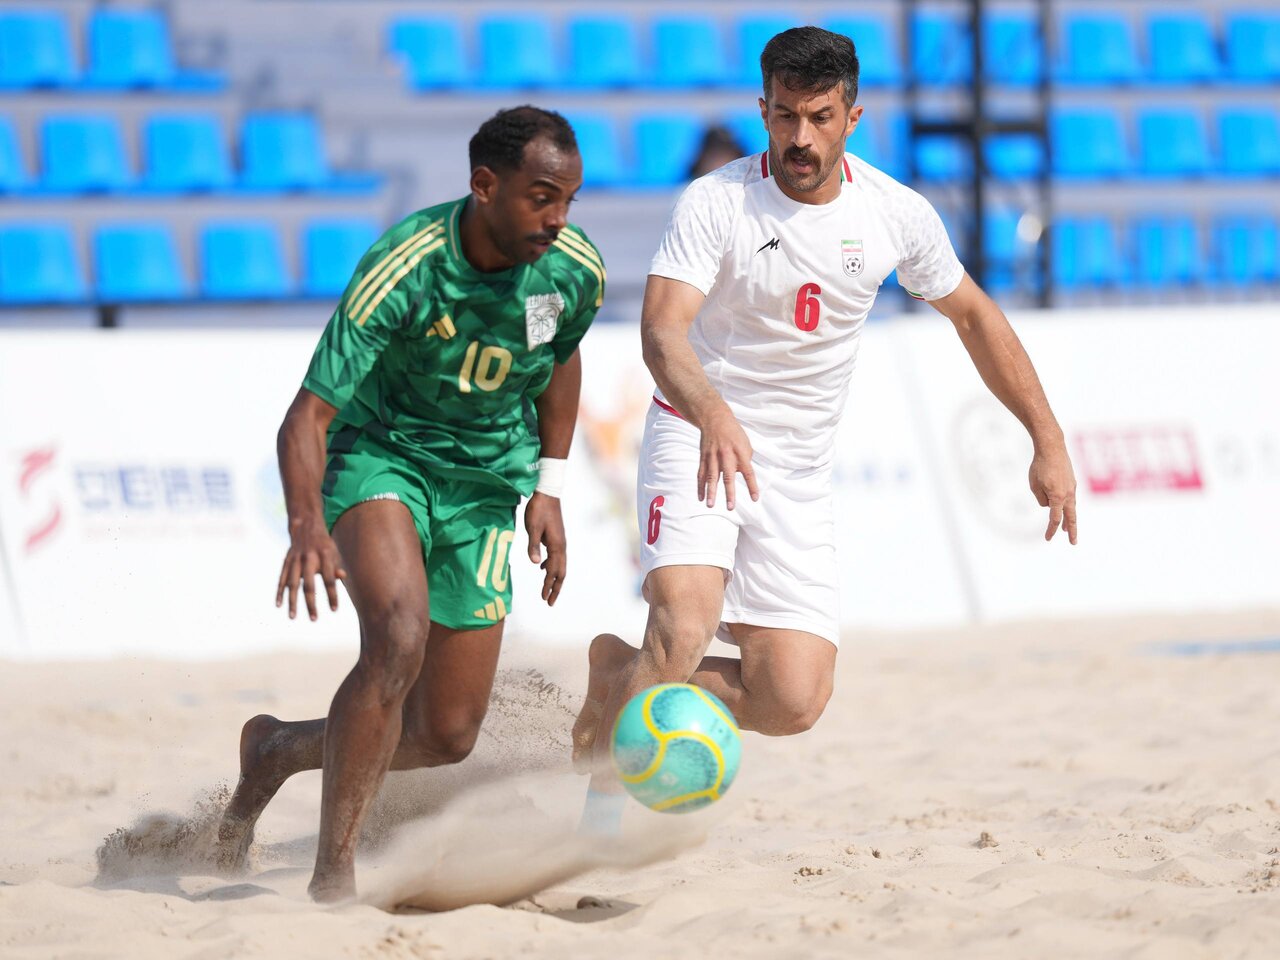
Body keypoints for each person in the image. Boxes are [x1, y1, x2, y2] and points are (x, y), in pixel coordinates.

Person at [572, 27, 1077, 828]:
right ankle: (595, 825)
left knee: (793, 699)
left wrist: (1046, 439)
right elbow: (662, 331)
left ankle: (616, 675)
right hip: (697, 435)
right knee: (682, 630)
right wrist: (713, 412)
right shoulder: (716, 200)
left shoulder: (893, 214)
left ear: (853, 117)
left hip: (796, 471)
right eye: (784, 116)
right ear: (763, 111)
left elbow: (976, 317)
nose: (799, 137)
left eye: (819, 117)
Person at [213, 106, 605, 901]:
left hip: (486, 486)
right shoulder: (406, 265)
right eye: (542, 198)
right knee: (397, 638)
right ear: (484, 186)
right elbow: (307, 417)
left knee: (445, 735)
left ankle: (278, 751)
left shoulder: (571, 271)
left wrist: (551, 487)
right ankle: (333, 876)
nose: (559, 218)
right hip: (383, 457)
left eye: (569, 199)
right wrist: (306, 525)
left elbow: (560, 362)